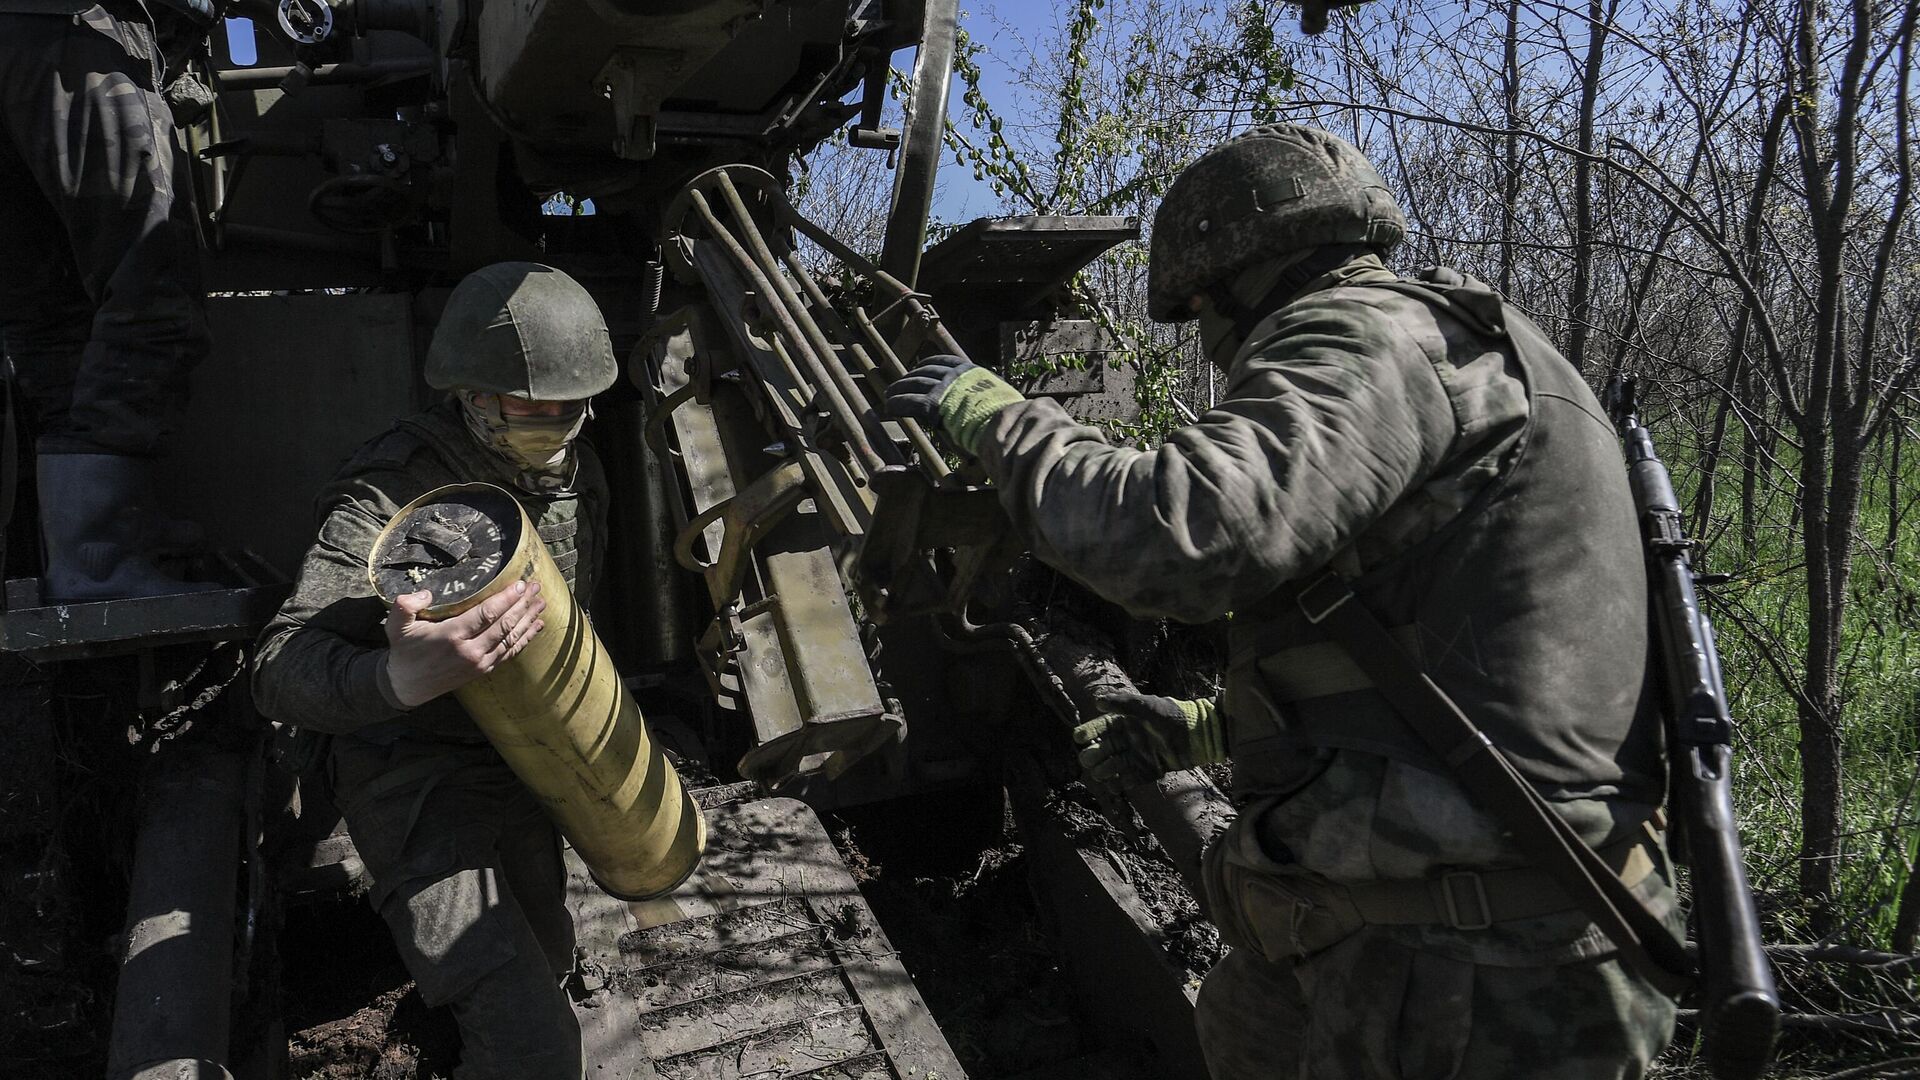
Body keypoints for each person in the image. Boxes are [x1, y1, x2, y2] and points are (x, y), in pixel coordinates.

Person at [888, 123, 1680, 1079]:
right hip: (1448, 936)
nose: (1210, 344)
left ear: (1241, 278)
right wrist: (1206, 728)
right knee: (1241, 1019)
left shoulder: (1367, 335)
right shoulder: (1484, 352)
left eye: (1199, 311)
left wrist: (997, 418)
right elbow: (1466, 654)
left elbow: (1186, 535)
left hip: (1474, 974)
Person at [254, 262, 615, 1080]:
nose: (553, 424)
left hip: (519, 760)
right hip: (409, 775)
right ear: (471, 396)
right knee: (535, 1051)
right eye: (528, 406)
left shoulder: (579, 476)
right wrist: (398, 677)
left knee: (552, 960)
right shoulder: (389, 493)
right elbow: (278, 667)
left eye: (569, 406)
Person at [0, 0, 218, 599]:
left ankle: (91, 542)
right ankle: (101, 553)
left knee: (48, 314)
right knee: (151, 279)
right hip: (73, 31)